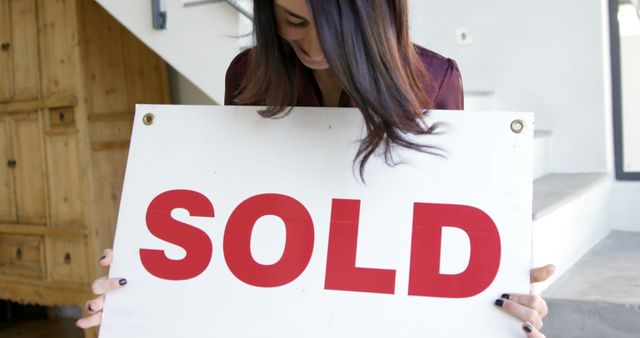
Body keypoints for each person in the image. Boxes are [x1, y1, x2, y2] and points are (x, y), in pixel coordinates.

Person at [76, 1, 556, 337]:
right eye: (293, 20)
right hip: (277, 304)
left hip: (374, 308)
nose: (312, 42)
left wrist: (492, 296)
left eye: (331, 25)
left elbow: (442, 213)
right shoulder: (247, 75)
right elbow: (232, 201)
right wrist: (149, 288)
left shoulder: (432, 81)